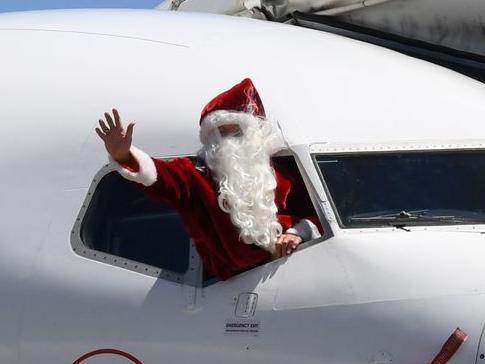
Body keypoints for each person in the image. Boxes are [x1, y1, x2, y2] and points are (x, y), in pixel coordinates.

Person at [96, 78, 321, 280]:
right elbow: (162, 177)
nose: (228, 141)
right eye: (220, 133)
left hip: (286, 272)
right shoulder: (197, 176)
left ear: (253, 133)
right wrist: (123, 155)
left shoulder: (281, 176)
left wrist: (297, 233)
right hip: (231, 284)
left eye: (235, 130)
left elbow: (319, 213)